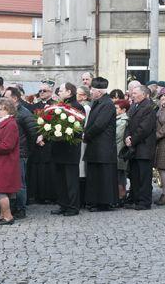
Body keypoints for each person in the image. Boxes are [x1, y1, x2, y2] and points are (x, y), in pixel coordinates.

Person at [47, 83, 85, 216]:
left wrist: (63, 132)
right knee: (60, 180)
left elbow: (78, 128)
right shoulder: (58, 106)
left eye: (61, 91)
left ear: (69, 92)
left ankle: (73, 206)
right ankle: (63, 204)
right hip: (58, 148)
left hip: (70, 149)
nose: (59, 93)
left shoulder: (77, 107)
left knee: (71, 181)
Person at [82, 77, 118, 211]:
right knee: (95, 175)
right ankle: (95, 201)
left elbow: (99, 125)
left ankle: (104, 202)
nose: (90, 92)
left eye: (92, 90)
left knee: (104, 176)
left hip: (103, 147)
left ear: (99, 91)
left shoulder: (107, 104)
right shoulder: (98, 102)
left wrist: (86, 135)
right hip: (95, 146)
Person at [6, 87, 38, 219]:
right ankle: (12, 207)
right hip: (9, 152)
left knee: (20, 183)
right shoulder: (9, 112)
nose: (3, 99)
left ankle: (20, 208)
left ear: (14, 98)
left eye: (6, 97)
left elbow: (33, 133)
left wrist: (26, 151)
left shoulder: (24, 113)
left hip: (20, 153)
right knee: (11, 182)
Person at [123, 85, 156, 210]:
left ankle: (144, 201)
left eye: (135, 93)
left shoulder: (148, 108)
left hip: (144, 148)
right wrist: (127, 137)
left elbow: (145, 128)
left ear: (143, 94)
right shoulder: (133, 106)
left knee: (144, 176)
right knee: (135, 176)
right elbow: (128, 124)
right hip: (134, 148)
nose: (133, 95)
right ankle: (136, 199)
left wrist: (132, 139)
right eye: (132, 93)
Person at [114, 99, 130, 203]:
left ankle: (121, 195)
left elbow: (117, 135)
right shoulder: (118, 119)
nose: (114, 110)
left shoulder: (123, 121)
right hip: (116, 149)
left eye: (116, 108)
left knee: (120, 174)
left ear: (123, 110)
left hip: (119, 150)